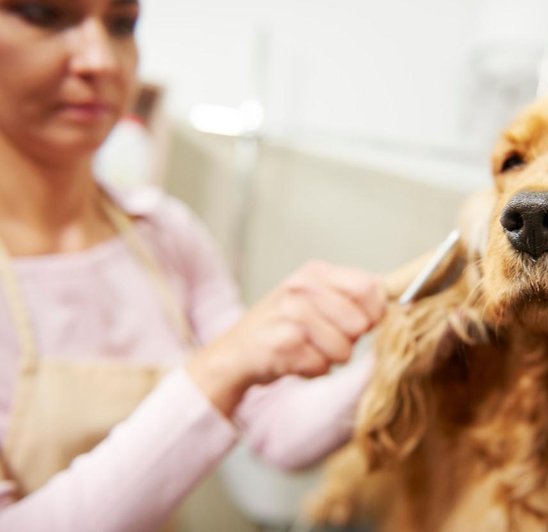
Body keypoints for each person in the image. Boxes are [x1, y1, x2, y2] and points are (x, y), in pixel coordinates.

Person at [0, 0, 386, 530]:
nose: (101, 62)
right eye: (46, 14)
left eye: (121, 25)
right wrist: (221, 367)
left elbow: (280, 430)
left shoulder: (163, 234)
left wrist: (413, 343)